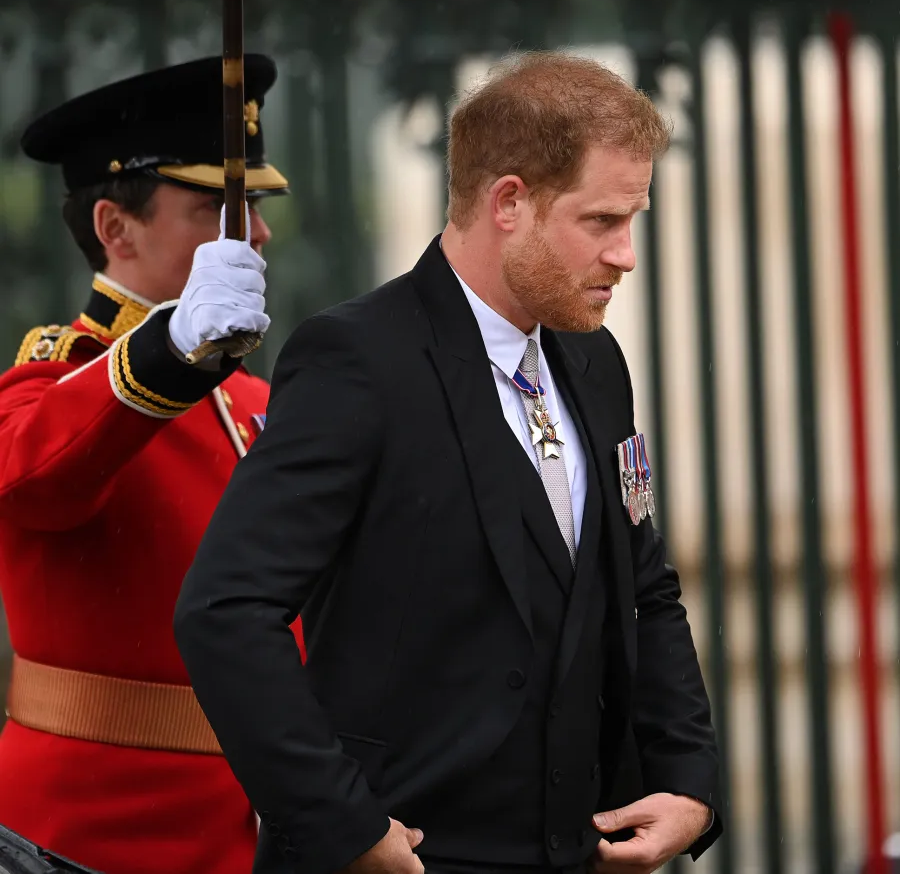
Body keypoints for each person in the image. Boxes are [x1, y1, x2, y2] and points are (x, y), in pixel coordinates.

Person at [174, 51, 723, 874]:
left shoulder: (595, 362)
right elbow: (225, 608)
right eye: (603, 221)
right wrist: (342, 822)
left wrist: (688, 782)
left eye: (633, 220)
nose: (627, 255)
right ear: (510, 202)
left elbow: (644, 587)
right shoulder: (357, 359)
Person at [0, 54, 303, 874]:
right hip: (91, 836)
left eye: (255, 209)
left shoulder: (252, 399)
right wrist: (168, 349)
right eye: (218, 209)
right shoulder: (57, 379)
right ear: (114, 228)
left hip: (257, 832)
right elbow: (34, 479)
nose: (259, 234)